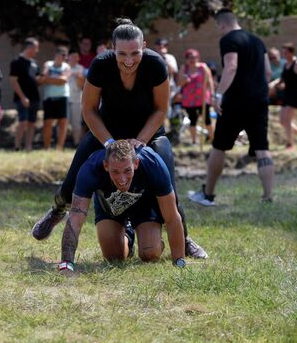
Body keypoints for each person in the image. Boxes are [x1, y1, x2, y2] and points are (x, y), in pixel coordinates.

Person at [32, 18, 206, 259]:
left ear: (144, 46)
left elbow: (160, 110)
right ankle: (57, 209)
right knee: (73, 179)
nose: (129, 60)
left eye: (135, 53)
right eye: (122, 54)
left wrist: (142, 141)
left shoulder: (156, 64)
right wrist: (108, 142)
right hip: (107, 132)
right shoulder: (101, 65)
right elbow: (89, 109)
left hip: (148, 133)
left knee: (168, 181)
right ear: (112, 49)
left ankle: (183, 238)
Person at [56, 141, 186, 274]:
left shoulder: (153, 164)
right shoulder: (91, 169)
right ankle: (127, 238)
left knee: (150, 254)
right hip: (110, 208)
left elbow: (172, 217)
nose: (122, 179)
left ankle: (155, 240)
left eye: (127, 170)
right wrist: (66, 263)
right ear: (106, 166)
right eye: (115, 172)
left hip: (145, 206)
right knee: (114, 257)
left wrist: (179, 261)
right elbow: (75, 218)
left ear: (136, 164)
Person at [188, 9, 274, 206]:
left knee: (220, 146)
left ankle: (208, 195)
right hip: (259, 100)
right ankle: (268, 197)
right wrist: (258, 91)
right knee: (262, 147)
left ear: (222, 25)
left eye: (218, 28)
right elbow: (268, 72)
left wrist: (218, 94)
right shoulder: (257, 40)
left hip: (235, 102)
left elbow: (231, 66)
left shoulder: (228, 39)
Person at [177, 49, 214, 145]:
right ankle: (194, 141)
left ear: (198, 58)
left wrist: (212, 95)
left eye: (194, 57)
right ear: (186, 59)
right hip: (189, 100)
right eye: (190, 58)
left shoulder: (203, 67)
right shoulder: (184, 68)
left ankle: (212, 139)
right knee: (192, 119)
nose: (192, 60)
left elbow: (210, 81)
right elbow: (180, 84)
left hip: (203, 98)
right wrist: (184, 80)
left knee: (207, 120)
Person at [10, 38, 41, 151]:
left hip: (34, 97)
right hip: (21, 98)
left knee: (32, 123)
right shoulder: (16, 62)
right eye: (36, 48)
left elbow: (37, 79)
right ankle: (17, 146)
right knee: (23, 122)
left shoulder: (35, 63)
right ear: (29, 48)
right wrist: (23, 97)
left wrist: (45, 78)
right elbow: (13, 81)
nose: (37, 51)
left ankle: (29, 147)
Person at [40, 46, 71, 150]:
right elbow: (43, 77)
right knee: (48, 123)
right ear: (56, 54)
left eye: (65, 55)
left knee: (63, 123)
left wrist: (49, 79)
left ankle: (59, 148)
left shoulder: (66, 66)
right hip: (49, 98)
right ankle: (46, 147)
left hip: (63, 97)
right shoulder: (48, 64)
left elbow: (63, 80)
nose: (64, 57)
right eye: (62, 55)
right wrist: (56, 79)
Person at [66, 50, 86, 146]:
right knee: (63, 122)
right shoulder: (64, 67)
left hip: (77, 98)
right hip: (65, 98)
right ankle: (61, 143)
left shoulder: (80, 68)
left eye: (76, 57)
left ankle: (76, 143)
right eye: (72, 56)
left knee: (76, 123)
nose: (74, 59)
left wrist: (78, 76)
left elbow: (82, 85)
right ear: (68, 57)